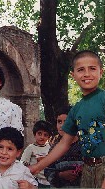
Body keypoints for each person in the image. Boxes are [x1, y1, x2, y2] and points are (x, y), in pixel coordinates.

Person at [29, 50, 105, 188]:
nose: (87, 74)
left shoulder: (103, 99)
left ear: (101, 72)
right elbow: (64, 144)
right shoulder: (76, 109)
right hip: (88, 168)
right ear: (73, 75)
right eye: (81, 70)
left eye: (92, 69)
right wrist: (37, 167)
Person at [44, 106, 83, 188]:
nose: (62, 126)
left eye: (66, 122)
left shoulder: (84, 146)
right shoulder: (54, 149)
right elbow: (47, 171)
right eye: (59, 122)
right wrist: (61, 175)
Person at [20, 120, 52, 188]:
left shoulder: (50, 147)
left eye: (45, 135)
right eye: (39, 134)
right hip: (35, 180)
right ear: (35, 134)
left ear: (49, 137)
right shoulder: (30, 148)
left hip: (49, 180)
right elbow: (22, 164)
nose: (42, 137)